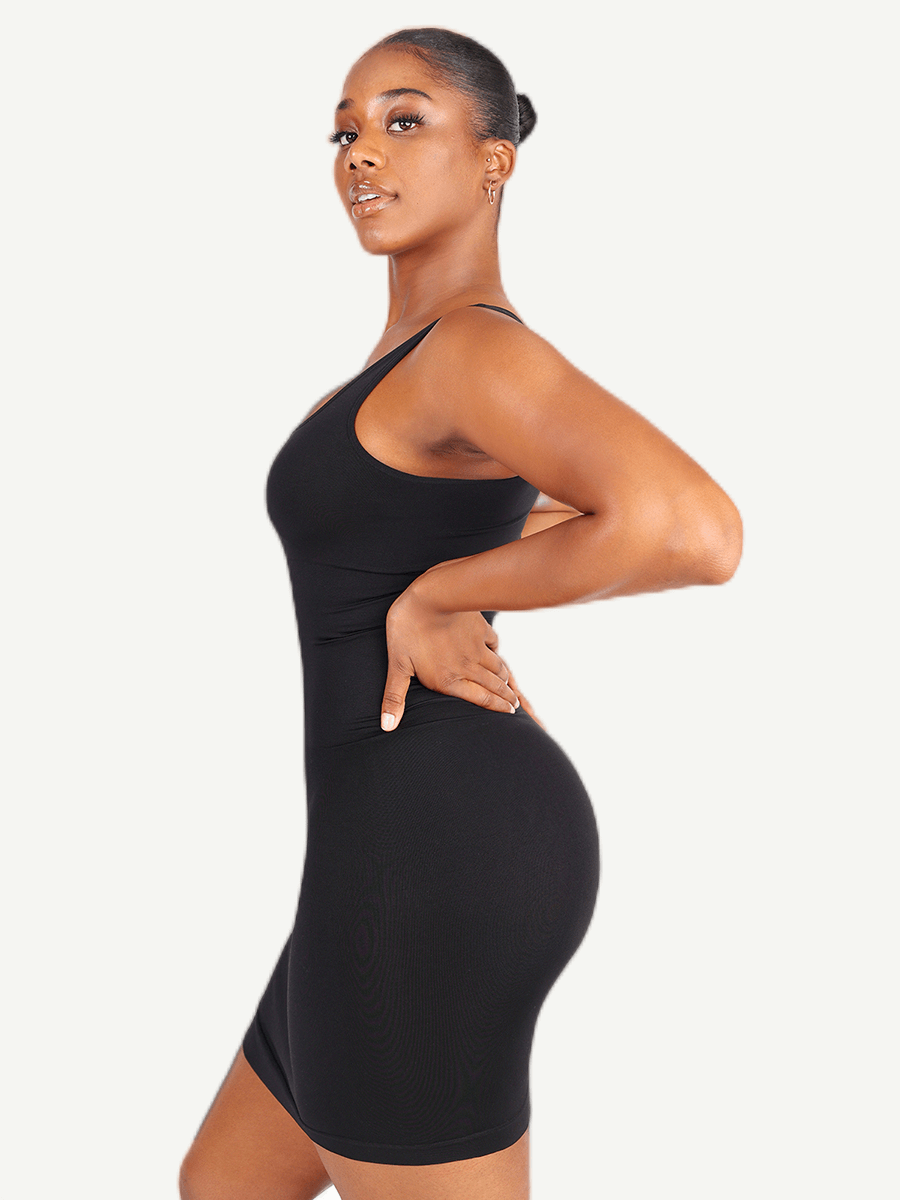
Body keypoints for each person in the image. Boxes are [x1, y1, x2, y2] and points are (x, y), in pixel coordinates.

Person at [179, 25, 743, 1200]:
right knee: (225, 1183)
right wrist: (456, 566)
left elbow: (692, 530)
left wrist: (446, 591)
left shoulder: (470, 351)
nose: (360, 154)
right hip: (376, 845)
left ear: (495, 162)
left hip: (433, 849)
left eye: (403, 121)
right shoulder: (407, 363)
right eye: (344, 131)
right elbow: (537, 519)